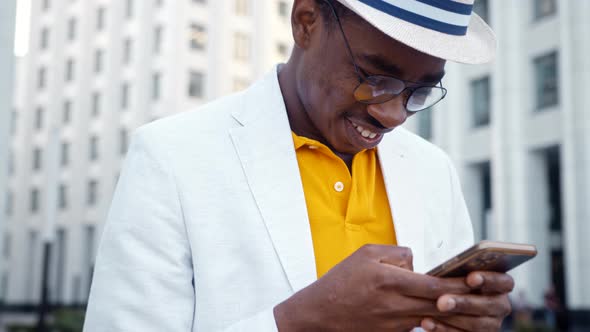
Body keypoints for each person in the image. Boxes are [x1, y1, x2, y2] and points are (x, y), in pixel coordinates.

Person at [83, 0, 514, 331]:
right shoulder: (171, 158)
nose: (394, 115)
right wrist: (299, 321)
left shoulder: (434, 171)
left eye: (419, 92)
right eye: (375, 78)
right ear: (305, 20)